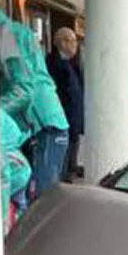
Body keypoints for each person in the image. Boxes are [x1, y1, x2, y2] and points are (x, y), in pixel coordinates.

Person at [0, 10, 68, 200]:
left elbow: (23, 88)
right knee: (34, 196)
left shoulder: (5, 34)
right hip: (41, 123)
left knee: (41, 200)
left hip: (43, 125)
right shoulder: (12, 32)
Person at [45, 27, 85, 174]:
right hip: (62, 114)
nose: (75, 45)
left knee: (74, 140)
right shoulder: (53, 63)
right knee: (64, 144)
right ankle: (64, 172)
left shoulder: (72, 62)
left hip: (73, 113)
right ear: (62, 43)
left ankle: (71, 166)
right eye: (73, 41)